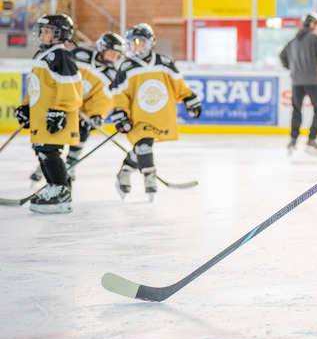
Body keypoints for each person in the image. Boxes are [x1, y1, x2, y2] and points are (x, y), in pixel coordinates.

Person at [108, 23, 202, 200]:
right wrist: (120, 114)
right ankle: (149, 177)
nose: (135, 46)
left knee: (141, 147)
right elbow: (119, 94)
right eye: (132, 43)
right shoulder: (126, 67)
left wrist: (190, 99)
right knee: (144, 144)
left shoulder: (164, 62)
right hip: (138, 118)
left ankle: (124, 172)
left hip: (160, 116)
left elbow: (179, 86)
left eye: (139, 42)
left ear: (150, 42)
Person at [28, 32, 124, 183]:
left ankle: (71, 164)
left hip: (83, 109)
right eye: (111, 53)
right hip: (63, 102)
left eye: (116, 55)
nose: (113, 57)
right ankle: (47, 165)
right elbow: (60, 72)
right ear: (101, 48)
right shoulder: (79, 55)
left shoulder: (112, 74)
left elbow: (103, 98)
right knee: (56, 132)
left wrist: (97, 115)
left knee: (84, 130)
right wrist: (65, 99)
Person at [14, 14, 83, 213]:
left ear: (60, 35)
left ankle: (61, 189)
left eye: (47, 32)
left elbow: (71, 88)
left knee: (49, 151)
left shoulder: (61, 56)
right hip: (41, 116)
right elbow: (36, 86)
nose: (42, 35)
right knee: (42, 151)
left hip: (54, 117)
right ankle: (55, 186)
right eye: (42, 31)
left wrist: (60, 111)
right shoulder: (42, 55)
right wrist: (27, 107)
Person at [280, 12, 317, 152]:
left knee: (296, 110)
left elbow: (282, 56)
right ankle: (312, 139)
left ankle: (293, 140)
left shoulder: (293, 41)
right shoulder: (315, 37)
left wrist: (291, 67)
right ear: (312, 24)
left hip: (297, 81)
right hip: (313, 81)